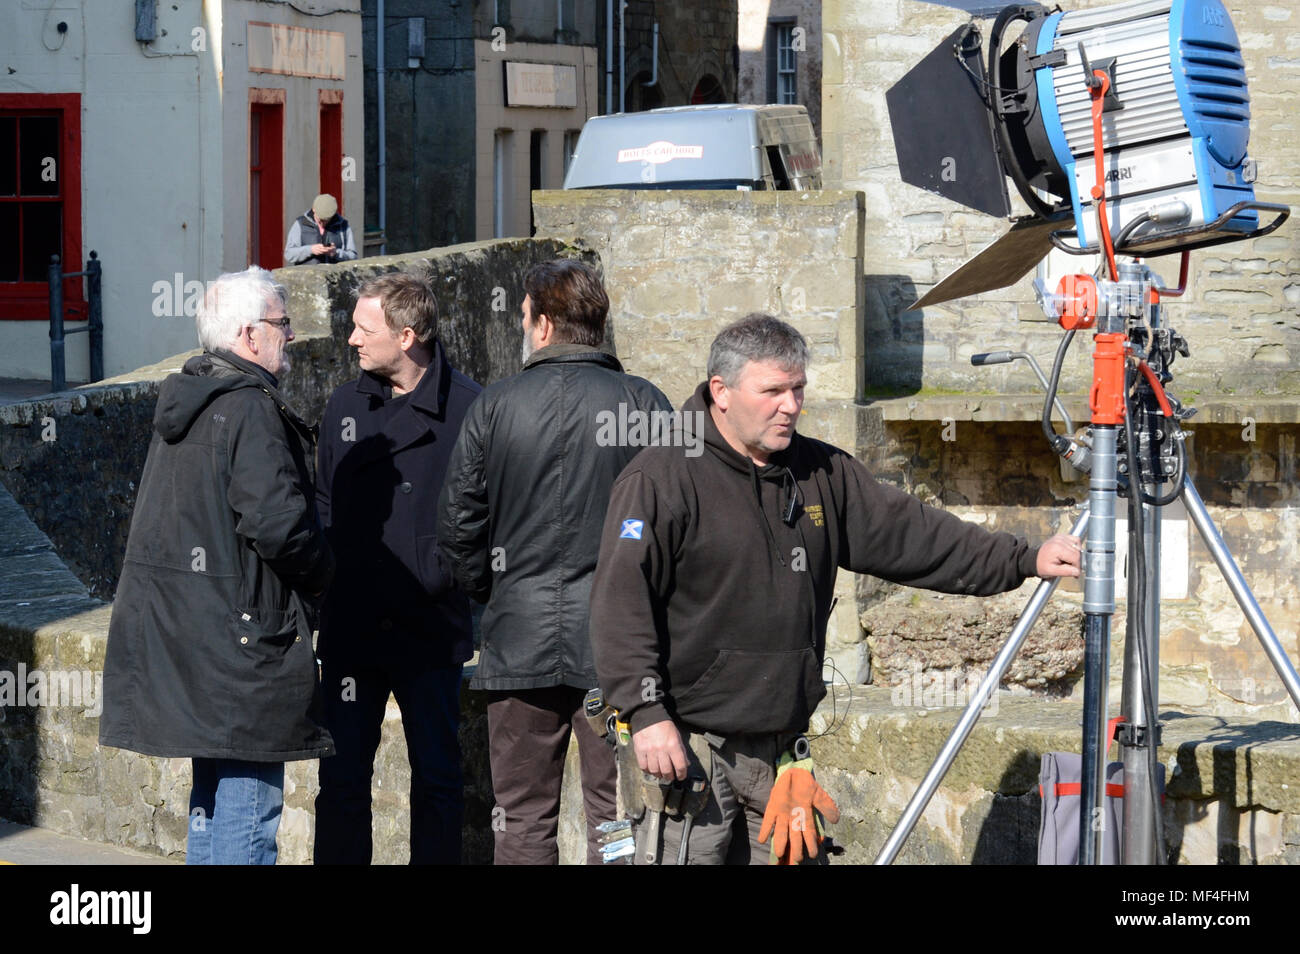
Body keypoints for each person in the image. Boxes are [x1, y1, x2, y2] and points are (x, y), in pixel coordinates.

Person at [588, 313, 1083, 865]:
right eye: (773, 390)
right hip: (687, 753)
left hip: (782, 758)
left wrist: (1024, 557)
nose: (791, 405)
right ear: (721, 393)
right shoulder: (659, 478)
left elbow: (914, 536)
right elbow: (619, 603)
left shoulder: (822, 471)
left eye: (798, 389)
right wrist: (645, 712)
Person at [437, 259, 673, 864]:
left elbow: (459, 524)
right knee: (615, 816)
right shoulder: (643, 403)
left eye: (524, 315)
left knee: (521, 817)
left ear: (542, 324)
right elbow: (674, 529)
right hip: (618, 648)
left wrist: (494, 592)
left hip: (520, 637)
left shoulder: (494, 405)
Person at [99, 267, 334, 865]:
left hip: (194, 637)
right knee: (248, 809)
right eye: (284, 324)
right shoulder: (249, 408)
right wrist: (329, 577)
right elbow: (279, 527)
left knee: (211, 802)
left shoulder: (192, 398)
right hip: (244, 644)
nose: (292, 336)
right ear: (250, 335)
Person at [313, 272, 481, 865]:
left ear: (407, 336)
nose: (352, 339)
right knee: (340, 782)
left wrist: (437, 572)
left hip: (428, 627)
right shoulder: (344, 403)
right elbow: (324, 503)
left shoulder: (469, 407)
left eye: (365, 328)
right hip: (353, 627)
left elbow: (485, 517)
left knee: (436, 779)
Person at [285, 193, 357, 265]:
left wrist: (336, 253)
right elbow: (289, 254)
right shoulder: (300, 224)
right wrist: (310, 250)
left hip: (334, 275)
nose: (323, 223)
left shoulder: (343, 225)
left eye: (327, 220)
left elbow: (353, 256)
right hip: (306, 275)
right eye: (320, 220)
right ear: (313, 209)